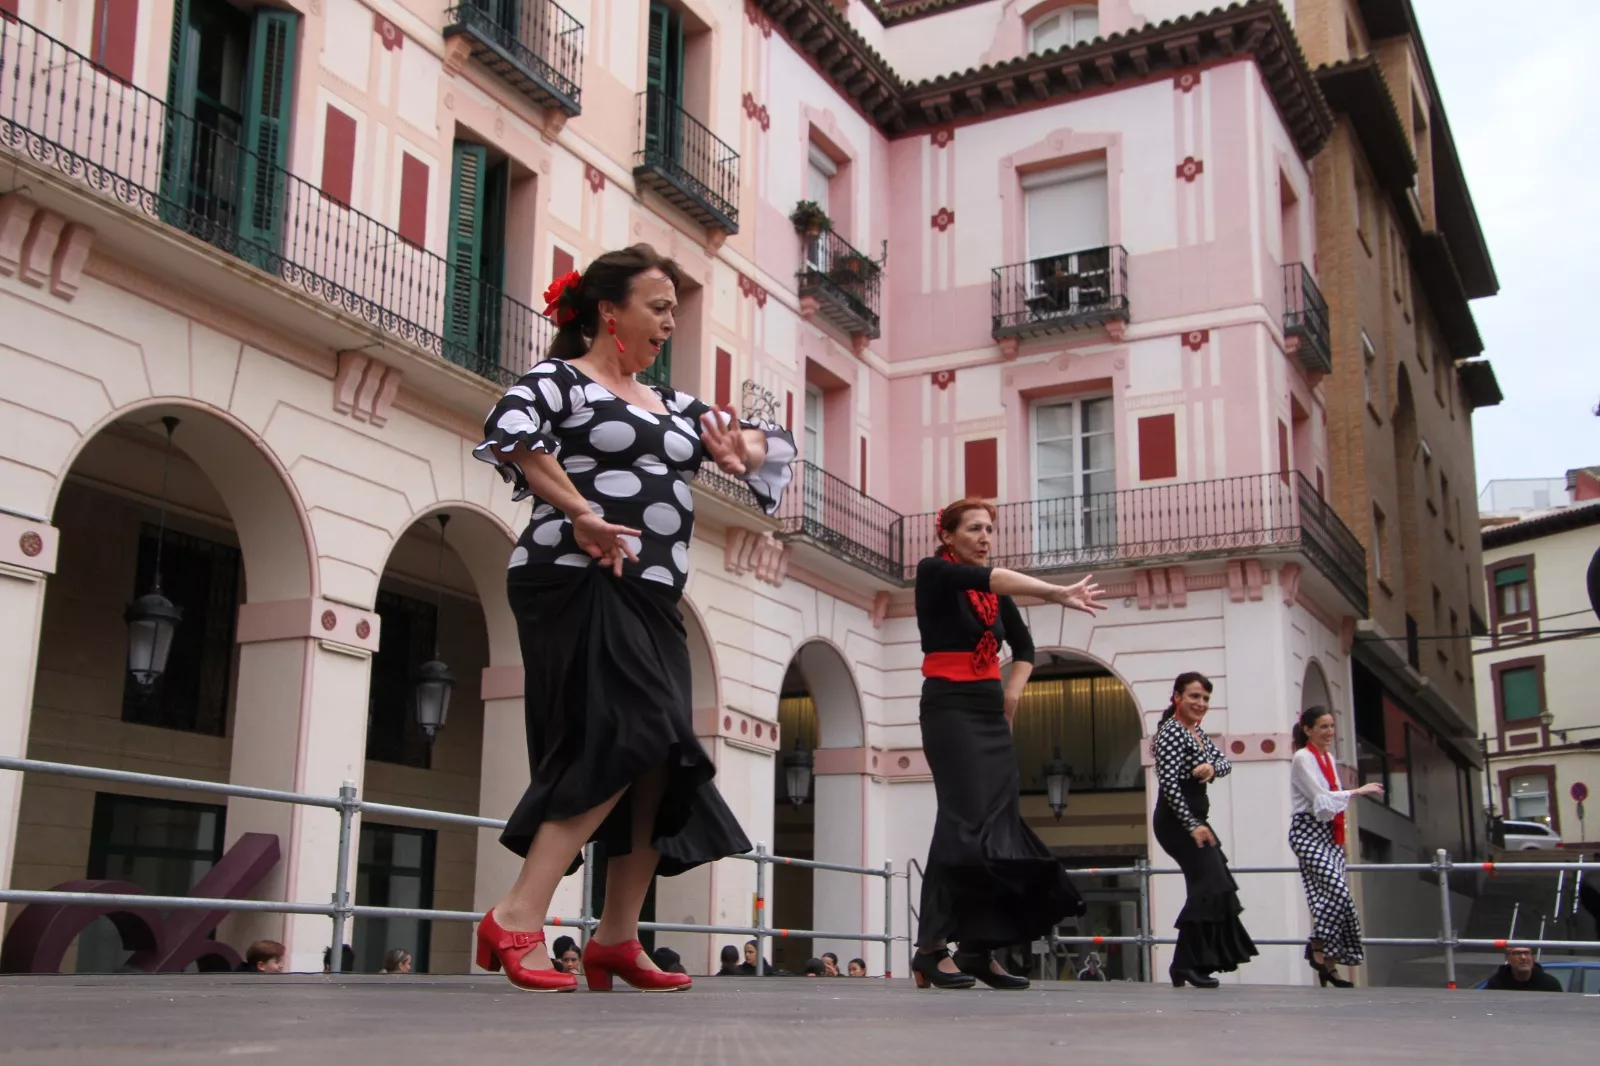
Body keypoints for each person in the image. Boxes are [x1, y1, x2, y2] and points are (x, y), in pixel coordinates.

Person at [471, 246, 796, 994]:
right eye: (659, 307)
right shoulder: (560, 381)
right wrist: (581, 510)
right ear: (608, 312)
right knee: (625, 735)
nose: (671, 321)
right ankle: (516, 915)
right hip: (576, 578)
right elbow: (510, 432)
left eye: (675, 309)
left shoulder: (673, 404)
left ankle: (616, 937)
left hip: (652, 594)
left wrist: (742, 452)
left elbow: (771, 446)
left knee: (663, 754)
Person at [911, 498, 1107, 990]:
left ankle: (977, 949)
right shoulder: (934, 572)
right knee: (962, 823)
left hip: (989, 714)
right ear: (948, 535)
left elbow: (1023, 646)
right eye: (974, 528)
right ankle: (931, 949)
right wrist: (1057, 591)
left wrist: (1013, 693)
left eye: (989, 529)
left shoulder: (995, 598)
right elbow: (993, 578)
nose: (985, 537)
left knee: (998, 826)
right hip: (949, 709)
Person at [1153, 672, 1258, 988]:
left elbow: (1225, 763)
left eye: (1206, 698)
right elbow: (1169, 786)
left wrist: (1211, 768)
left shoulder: (1195, 732)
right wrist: (1192, 826)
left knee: (1215, 884)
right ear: (1177, 697)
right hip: (1177, 821)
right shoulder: (1171, 733)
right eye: (1195, 696)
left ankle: (1185, 964)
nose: (1201, 703)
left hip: (1195, 820)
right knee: (1208, 885)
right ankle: (1185, 964)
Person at [1290, 706, 1384, 988]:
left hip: (1329, 832)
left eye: (1331, 726)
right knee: (1338, 892)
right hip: (1307, 832)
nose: (1330, 732)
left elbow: (1330, 803)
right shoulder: (1302, 758)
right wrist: (1357, 791)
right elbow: (1321, 798)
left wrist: (1340, 838)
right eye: (1323, 726)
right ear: (1308, 730)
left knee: (1330, 899)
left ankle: (1327, 965)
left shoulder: (1328, 758)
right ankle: (1317, 947)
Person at [1482, 945, 1563, 992]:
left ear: (1533, 957)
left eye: (1526, 953)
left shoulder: (1549, 984)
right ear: (1507, 958)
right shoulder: (1496, 984)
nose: (1523, 957)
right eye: (1517, 953)